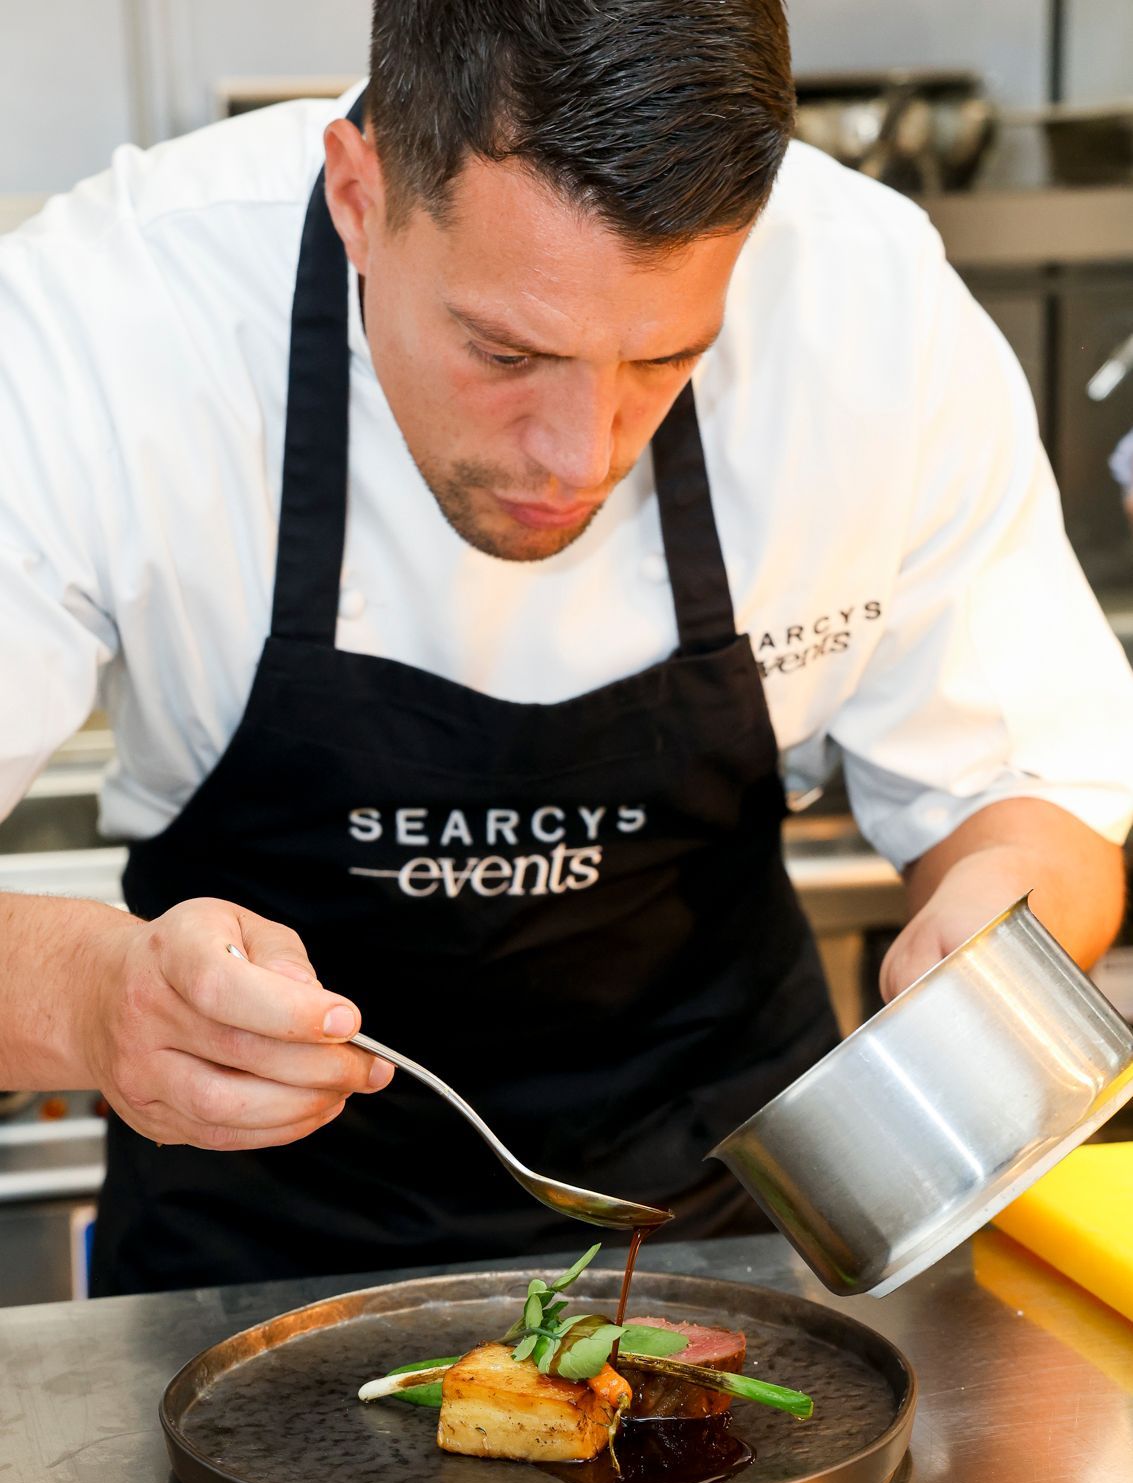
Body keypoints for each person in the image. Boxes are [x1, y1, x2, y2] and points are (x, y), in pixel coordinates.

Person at [1, 1, 1131, 1296]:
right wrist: (95, 997)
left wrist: (996, 936)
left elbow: (1027, 797)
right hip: (239, 1283)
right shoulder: (109, 323)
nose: (580, 455)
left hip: (737, 1252)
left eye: (663, 359)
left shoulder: (869, 309)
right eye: (505, 352)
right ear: (359, 196)